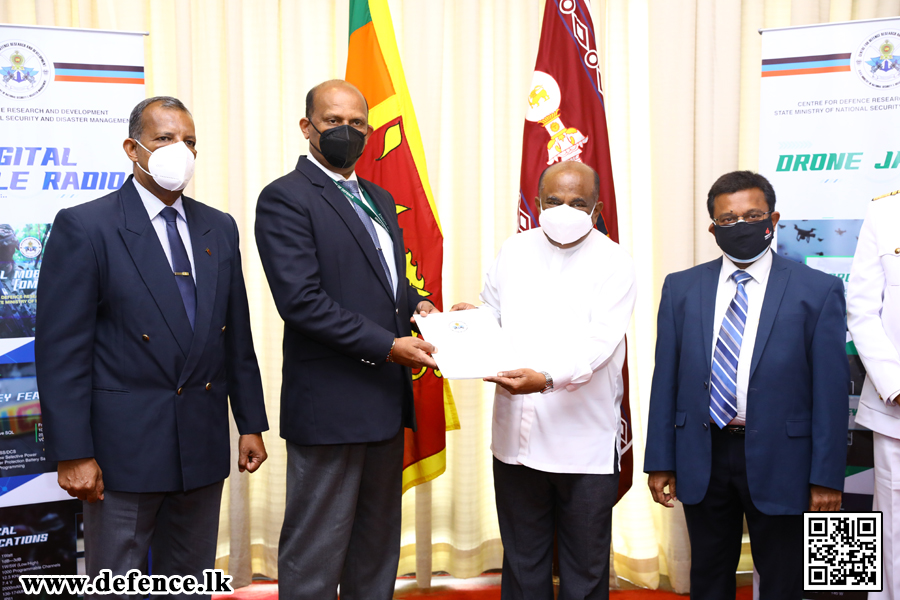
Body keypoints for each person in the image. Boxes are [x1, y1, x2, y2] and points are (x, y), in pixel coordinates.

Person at [35, 96, 269, 595]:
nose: (178, 150)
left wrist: (250, 423)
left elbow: (235, 335)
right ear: (132, 148)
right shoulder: (86, 227)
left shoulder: (218, 227)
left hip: (201, 445)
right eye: (165, 139)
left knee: (188, 584)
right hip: (123, 454)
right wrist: (73, 452)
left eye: (189, 142)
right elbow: (62, 353)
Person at [255, 80, 439, 600]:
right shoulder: (284, 198)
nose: (346, 131)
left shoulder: (379, 197)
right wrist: (389, 345)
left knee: (376, 550)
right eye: (333, 121)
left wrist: (420, 309)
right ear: (306, 127)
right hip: (330, 407)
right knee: (316, 553)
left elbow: (388, 285)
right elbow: (302, 301)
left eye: (357, 123)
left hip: (383, 400)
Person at [643, 170, 849, 599]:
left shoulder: (818, 289)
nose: (741, 226)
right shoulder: (681, 288)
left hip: (784, 458)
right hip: (704, 454)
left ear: (773, 219)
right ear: (713, 228)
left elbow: (831, 392)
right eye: (729, 219)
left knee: (783, 580)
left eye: (753, 215)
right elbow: (666, 379)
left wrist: (827, 477)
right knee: (709, 578)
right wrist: (660, 459)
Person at [452, 161, 636, 600]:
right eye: (554, 201)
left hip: (584, 444)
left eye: (578, 202)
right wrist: (466, 323)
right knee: (522, 564)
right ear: (536, 203)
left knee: (585, 570)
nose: (564, 209)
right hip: (515, 441)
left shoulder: (614, 262)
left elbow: (601, 342)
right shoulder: (513, 250)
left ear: (597, 208)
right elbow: (493, 314)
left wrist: (547, 378)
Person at [847, 188, 900, 599]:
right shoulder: (885, 211)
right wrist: (895, 385)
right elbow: (862, 309)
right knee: (894, 528)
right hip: (896, 408)